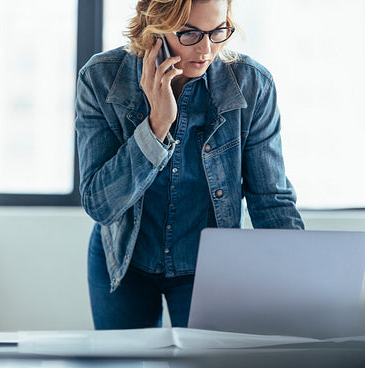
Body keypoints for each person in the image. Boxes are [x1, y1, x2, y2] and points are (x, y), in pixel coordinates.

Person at [75, 0, 304, 330]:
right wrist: (157, 126)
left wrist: (304, 279)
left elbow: (271, 201)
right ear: (157, 25)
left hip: (207, 267)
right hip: (126, 262)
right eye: (191, 34)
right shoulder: (100, 78)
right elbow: (100, 204)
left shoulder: (253, 85)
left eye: (218, 31)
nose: (206, 49)